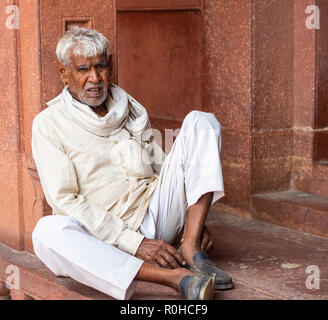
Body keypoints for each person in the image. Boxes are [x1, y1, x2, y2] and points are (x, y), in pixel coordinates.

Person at [31, 26, 232, 300]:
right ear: (64, 73)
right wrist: (135, 244)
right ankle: (174, 278)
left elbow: (161, 166)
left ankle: (190, 247)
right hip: (104, 239)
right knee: (46, 233)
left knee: (202, 122)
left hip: (155, 215)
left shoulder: (130, 107)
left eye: (101, 67)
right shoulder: (49, 125)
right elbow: (65, 200)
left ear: (110, 66)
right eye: (83, 70)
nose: (95, 78)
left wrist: (190, 220)